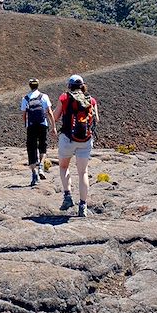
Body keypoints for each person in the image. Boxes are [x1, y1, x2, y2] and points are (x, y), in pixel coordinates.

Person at [52, 74, 100, 217]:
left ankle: (67, 197)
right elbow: (96, 119)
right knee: (83, 172)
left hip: (68, 139)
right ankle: (83, 207)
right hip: (85, 141)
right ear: (82, 86)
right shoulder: (91, 100)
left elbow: (55, 117)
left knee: (64, 167)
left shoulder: (64, 98)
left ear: (69, 86)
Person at [20, 78, 57, 186]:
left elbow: (24, 115)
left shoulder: (25, 98)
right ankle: (41, 166)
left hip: (31, 126)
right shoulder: (44, 97)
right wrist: (53, 127)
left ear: (29, 86)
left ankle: (34, 174)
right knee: (42, 146)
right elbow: (49, 112)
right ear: (38, 85)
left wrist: (26, 125)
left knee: (31, 149)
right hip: (42, 124)